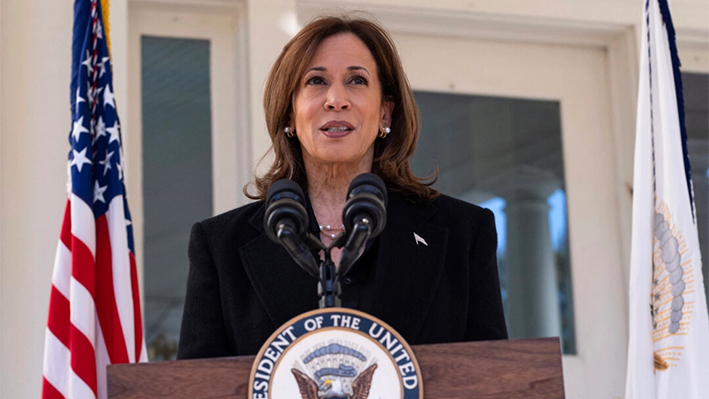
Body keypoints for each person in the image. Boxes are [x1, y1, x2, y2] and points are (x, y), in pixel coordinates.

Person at [178, 15, 507, 359]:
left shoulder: (464, 234)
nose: (336, 99)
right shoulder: (220, 248)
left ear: (385, 113)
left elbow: (495, 380)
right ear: (289, 114)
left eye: (357, 81)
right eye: (316, 81)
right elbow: (195, 385)